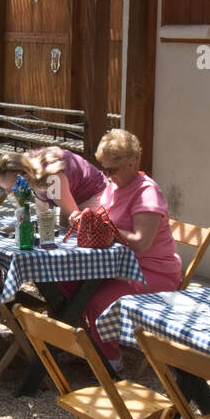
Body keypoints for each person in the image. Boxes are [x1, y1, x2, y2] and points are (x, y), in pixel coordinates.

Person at [72, 129, 184, 368]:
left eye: (112, 170)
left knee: (97, 298)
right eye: (104, 169)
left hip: (152, 272)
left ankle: (111, 359)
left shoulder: (147, 192)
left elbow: (141, 242)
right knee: (71, 287)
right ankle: (88, 342)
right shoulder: (115, 186)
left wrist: (106, 227)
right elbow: (103, 217)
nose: (108, 176)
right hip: (119, 265)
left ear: (133, 164)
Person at [0, 147, 107, 224]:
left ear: (24, 176)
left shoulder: (52, 179)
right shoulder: (26, 165)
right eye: (4, 188)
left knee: (78, 228)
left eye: (11, 188)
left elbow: (76, 217)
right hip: (70, 192)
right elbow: (42, 209)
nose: (9, 193)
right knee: (61, 226)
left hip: (94, 192)